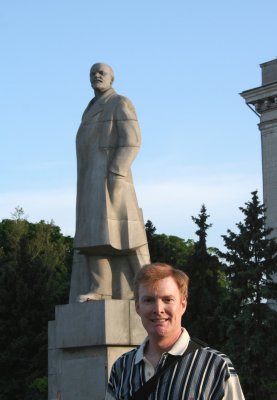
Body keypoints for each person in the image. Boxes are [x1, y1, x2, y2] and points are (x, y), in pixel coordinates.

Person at [105, 263, 245, 399]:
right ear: (137, 307)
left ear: (183, 305)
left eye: (167, 300)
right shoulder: (122, 367)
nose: (158, 309)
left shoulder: (216, 366)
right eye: (149, 300)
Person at [73, 63, 149, 301]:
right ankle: (99, 289)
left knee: (127, 235)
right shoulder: (90, 108)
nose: (97, 76)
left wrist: (116, 171)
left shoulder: (120, 102)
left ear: (112, 78)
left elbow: (132, 140)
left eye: (101, 72)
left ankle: (148, 287)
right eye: (93, 73)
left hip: (111, 175)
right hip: (89, 178)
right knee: (94, 236)